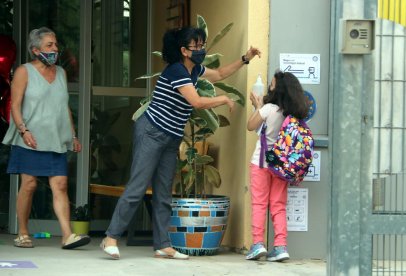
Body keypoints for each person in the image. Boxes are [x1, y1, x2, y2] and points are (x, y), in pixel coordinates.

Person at [100, 27, 261, 260]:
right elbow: (196, 101)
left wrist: (246, 58)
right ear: (184, 50)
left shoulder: (194, 70)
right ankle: (110, 237)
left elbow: (220, 74)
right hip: (152, 131)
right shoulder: (177, 71)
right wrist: (223, 98)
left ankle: (162, 245)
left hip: (170, 136)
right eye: (197, 46)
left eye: (202, 44)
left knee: (164, 191)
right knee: (137, 186)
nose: (202, 49)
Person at [2, 27, 90, 249]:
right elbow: (15, 105)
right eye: (49, 45)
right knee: (29, 185)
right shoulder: (24, 71)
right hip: (30, 138)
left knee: (60, 185)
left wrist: (72, 135)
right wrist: (24, 131)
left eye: (56, 45)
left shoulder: (60, 72)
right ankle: (22, 232)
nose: (55, 49)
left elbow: (64, 107)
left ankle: (67, 235)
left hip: (55, 138)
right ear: (35, 49)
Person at [246, 71, 309, 262]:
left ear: (277, 89)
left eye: (271, 84)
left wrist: (258, 107)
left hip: (261, 164)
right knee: (278, 205)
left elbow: (250, 125)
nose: (268, 87)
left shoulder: (269, 109)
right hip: (282, 167)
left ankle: (258, 244)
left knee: (259, 204)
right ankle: (280, 246)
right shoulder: (293, 114)